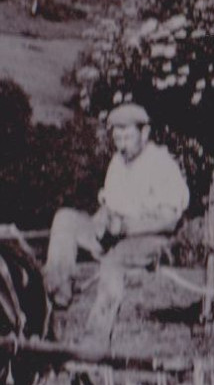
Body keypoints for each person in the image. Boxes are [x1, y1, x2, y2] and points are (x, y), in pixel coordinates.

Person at [44, 102, 190, 347]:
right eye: (117, 136)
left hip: (149, 238)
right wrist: (102, 220)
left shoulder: (161, 164)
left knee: (114, 262)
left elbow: (170, 220)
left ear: (144, 133)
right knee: (65, 219)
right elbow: (111, 205)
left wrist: (128, 228)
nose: (121, 142)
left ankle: (95, 341)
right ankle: (58, 297)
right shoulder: (117, 163)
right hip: (115, 232)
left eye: (128, 135)